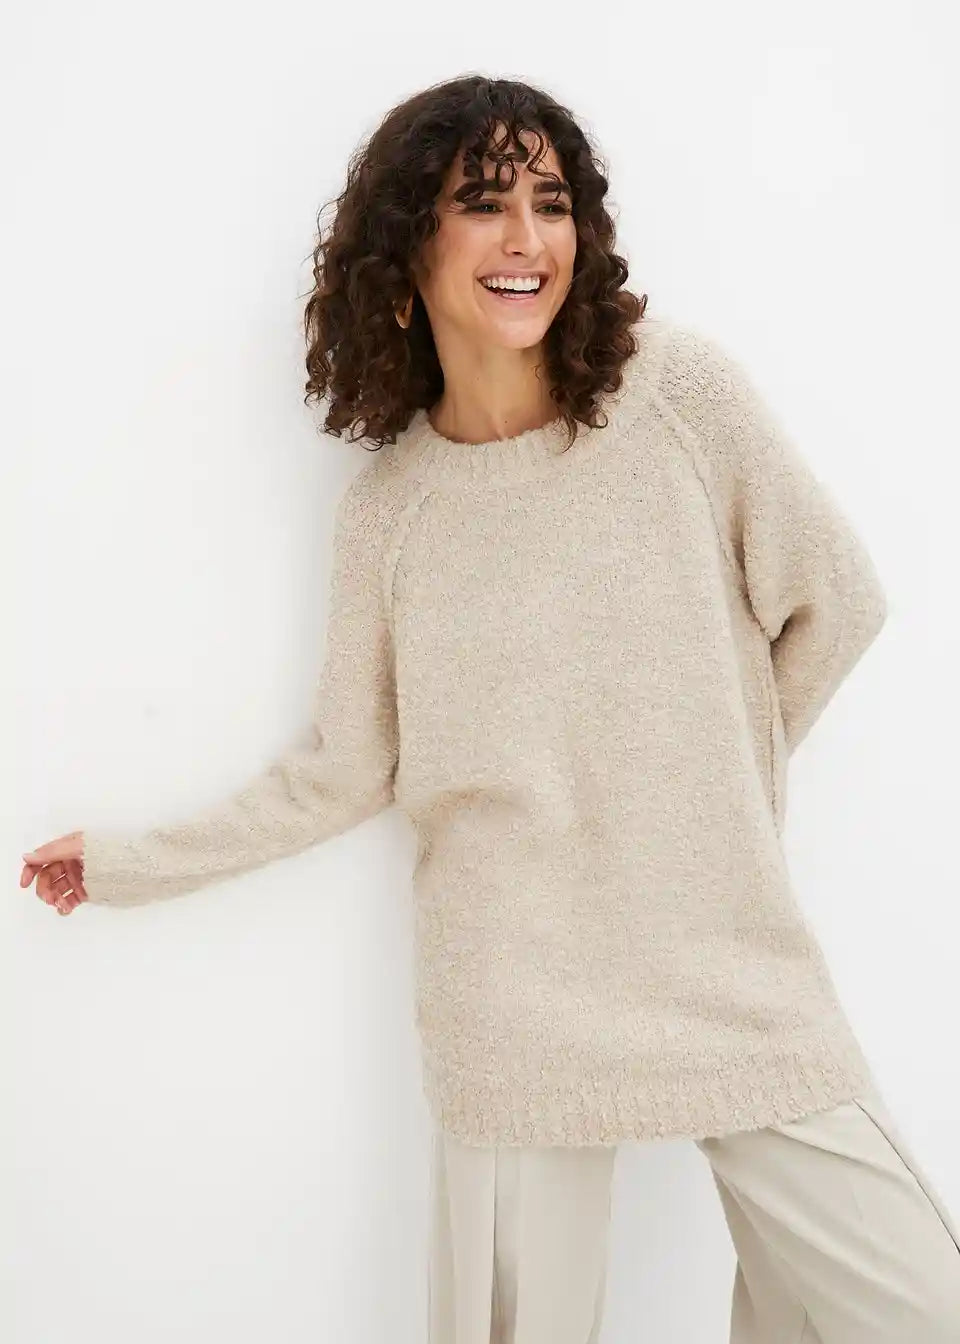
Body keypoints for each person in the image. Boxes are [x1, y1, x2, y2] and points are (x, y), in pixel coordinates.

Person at [20, 74, 960, 1344]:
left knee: (918, 1306)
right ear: (407, 248)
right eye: (483, 202)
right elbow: (343, 767)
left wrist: (699, 796)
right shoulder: (393, 511)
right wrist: (133, 862)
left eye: (552, 203)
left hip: (729, 966)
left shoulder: (679, 398)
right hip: (512, 996)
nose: (527, 238)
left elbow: (835, 603)